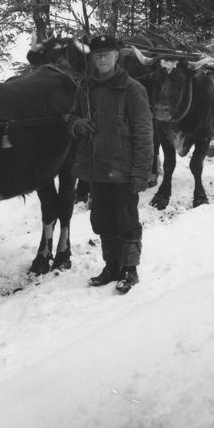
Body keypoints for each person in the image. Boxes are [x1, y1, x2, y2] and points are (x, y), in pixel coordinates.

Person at [68, 34, 154, 293]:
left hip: (124, 169)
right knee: (103, 219)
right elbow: (72, 118)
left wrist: (141, 171)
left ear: (117, 56)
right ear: (93, 59)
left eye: (107, 54)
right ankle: (112, 266)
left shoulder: (133, 89)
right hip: (97, 167)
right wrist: (78, 125)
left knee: (126, 220)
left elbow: (144, 132)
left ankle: (130, 269)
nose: (102, 58)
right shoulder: (86, 88)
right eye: (97, 55)